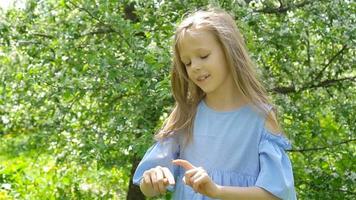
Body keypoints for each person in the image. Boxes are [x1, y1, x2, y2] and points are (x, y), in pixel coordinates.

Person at [132, 7, 297, 200]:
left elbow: (277, 195)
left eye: (203, 56)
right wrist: (152, 179)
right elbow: (147, 189)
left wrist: (217, 191)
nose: (195, 67)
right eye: (187, 62)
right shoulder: (186, 115)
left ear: (229, 51)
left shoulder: (260, 119)